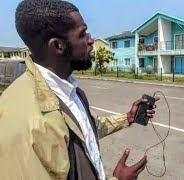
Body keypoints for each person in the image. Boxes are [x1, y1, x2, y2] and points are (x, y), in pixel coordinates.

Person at [0, 0, 159, 180]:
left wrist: (127, 118)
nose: (91, 40)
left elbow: (84, 131)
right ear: (58, 46)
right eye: (82, 34)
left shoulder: (68, 89)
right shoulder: (25, 118)